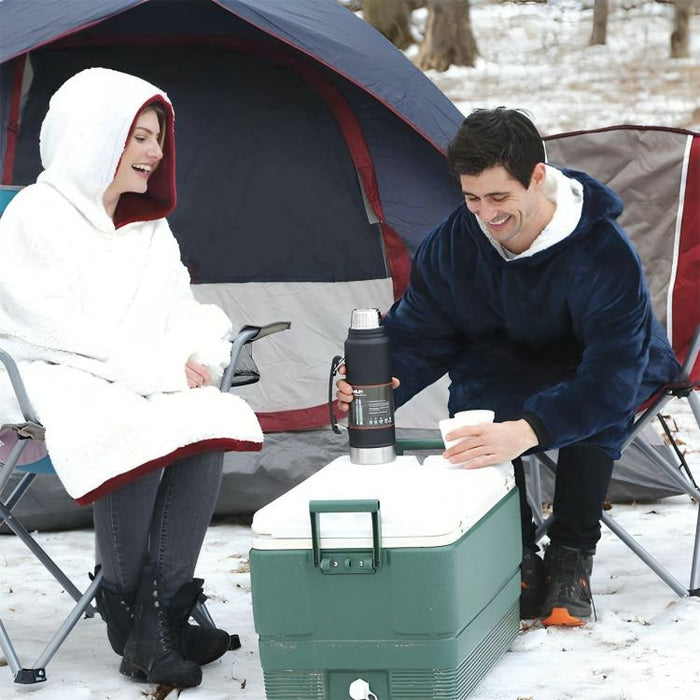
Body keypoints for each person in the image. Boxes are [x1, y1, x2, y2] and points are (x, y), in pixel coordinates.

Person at [336, 107, 680, 627]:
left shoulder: (602, 251)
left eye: (499, 197)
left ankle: (570, 556)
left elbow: (614, 375)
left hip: (607, 363)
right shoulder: (455, 243)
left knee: (592, 409)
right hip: (508, 359)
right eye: (472, 198)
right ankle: (515, 554)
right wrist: (377, 385)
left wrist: (530, 429)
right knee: (474, 402)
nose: (485, 214)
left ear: (537, 177)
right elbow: (422, 332)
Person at [0, 68, 263, 687]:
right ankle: (128, 613)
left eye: (158, 139)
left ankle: (161, 615)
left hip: (130, 375)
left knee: (207, 415)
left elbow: (177, 307)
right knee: (125, 422)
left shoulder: (147, 225)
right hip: (45, 380)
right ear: (95, 137)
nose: (155, 152)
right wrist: (158, 369)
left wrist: (196, 350)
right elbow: (51, 329)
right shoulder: (34, 216)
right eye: (138, 137)